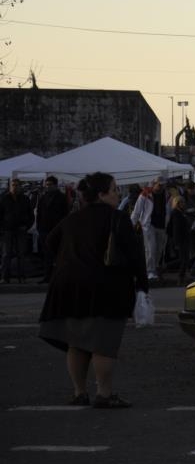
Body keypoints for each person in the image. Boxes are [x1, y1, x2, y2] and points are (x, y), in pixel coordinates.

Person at [38, 171, 148, 409]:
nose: (118, 193)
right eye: (114, 189)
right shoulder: (117, 218)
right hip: (106, 286)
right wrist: (142, 284)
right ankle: (104, 393)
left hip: (68, 285)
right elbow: (135, 255)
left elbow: (49, 241)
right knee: (103, 342)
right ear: (102, 194)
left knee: (75, 342)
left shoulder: (72, 219)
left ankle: (79, 392)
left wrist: (68, 258)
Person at [130, 179, 166, 283]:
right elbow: (137, 210)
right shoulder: (145, 194)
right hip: (149, 225)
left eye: (163, 185)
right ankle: (150, 271)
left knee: (159, 249)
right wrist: (131, 224)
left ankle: (155, 267)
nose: (161, 187)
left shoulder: (167, 194)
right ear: (154, 184)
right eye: (159, 185)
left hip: (162, 225)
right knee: (151, 248)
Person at [35, 176, 70, 283]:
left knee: (58, 254)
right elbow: (39, 213)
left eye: (50, 184)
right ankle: (47, 276)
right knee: (46, 254)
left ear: (55, 185)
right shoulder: (43, 197)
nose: (48, 186)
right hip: (44, 229)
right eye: (47, 184)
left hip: (56, 229)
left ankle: (59, 276)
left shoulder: (62, 197)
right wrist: (39, 227)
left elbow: (65, 213)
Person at [1, 178, 35, 284]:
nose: (15, 187)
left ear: (20, 186)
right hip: (8, 230)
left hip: (21, 230)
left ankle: (22, 277)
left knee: (21, 254)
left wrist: (27, 226)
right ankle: (5, 277)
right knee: (6, 254)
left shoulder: (25, 199)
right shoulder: (4, 198)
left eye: (17, 185)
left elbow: (31, 215)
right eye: (13, 185)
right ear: (10, 186)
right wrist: (3, 228)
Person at [168, 196, 192, 286]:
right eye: (181, 202)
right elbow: (176, 228)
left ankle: (181, 276)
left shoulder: (181, 212)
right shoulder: (176, 213)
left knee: (184, 259)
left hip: (185, 238)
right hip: (181, 239)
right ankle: (180, 277)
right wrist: (176, 241)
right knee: (183, 259)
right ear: (177, 203)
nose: (183, 204)